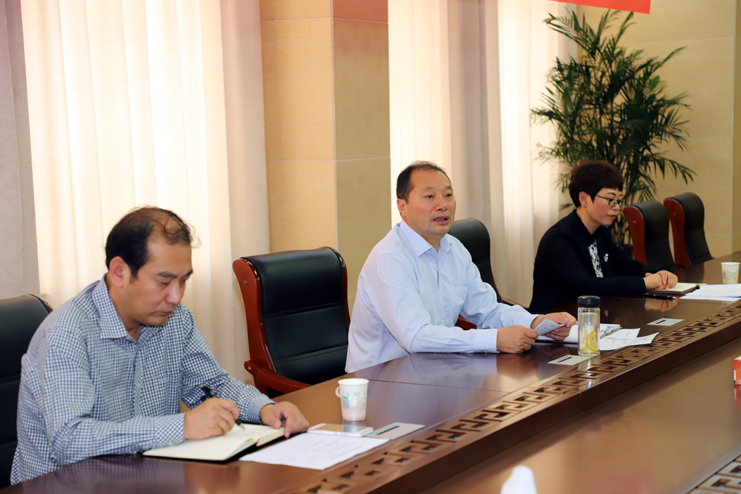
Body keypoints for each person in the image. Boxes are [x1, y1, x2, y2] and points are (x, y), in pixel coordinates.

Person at [12, 207, 309, 484]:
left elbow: (211, 385)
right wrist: (182, 426)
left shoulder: (174, 319)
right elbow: (69, 441)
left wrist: (265, 409)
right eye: (164, 282)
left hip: (146, 478)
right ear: (119, 272)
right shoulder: (67, 334)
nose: (176, 297)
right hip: (67, 486)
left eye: (183, 280)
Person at [345, 161, 575, 373]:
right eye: (429, 196)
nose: (442, 205)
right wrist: (494, 340)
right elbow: (416, 336)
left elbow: (488, 311)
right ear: (402, 206)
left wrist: (536, 322)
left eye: (448, 195)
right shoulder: (390, 259)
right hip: (380, 383)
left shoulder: (453, 249)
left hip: (434, 372)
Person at [529, 160, 678, 313]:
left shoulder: (600, 233)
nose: (617, 207)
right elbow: (586, 286)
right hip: (557, 323)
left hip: (594, 319)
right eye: (610, 200)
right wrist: (644, 283)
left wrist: (661, 273)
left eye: (618, 200)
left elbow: (628, 266)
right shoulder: (559, 238)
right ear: (584, 198)